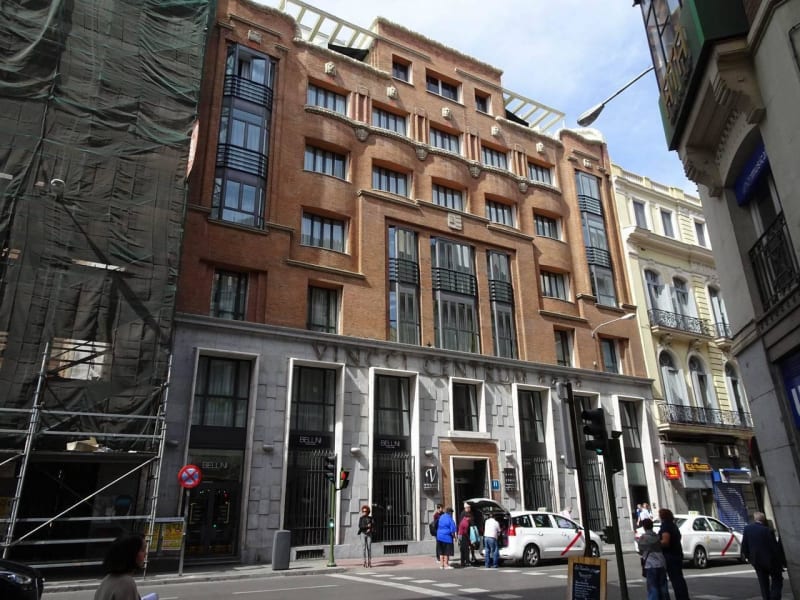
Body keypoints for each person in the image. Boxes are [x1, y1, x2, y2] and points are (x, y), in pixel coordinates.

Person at [95, 533, 152, 600]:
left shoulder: (107, 579)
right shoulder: (126, 582)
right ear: (131, 554)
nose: (146, 553)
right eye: (142, 550)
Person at [742, 512, 785, 600]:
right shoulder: (767, 530)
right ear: (763, 520)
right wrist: (780, 562)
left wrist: (749, 558)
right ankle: (774, 597)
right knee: (777, 579)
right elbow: (774, 547)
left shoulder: (747, 529)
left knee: (763, 583)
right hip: (770, 561)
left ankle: (766, 598)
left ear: (755, 519)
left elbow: (744, 545)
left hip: (756, 561)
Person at [659, 508, 689, 600]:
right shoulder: (673, 526)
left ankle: (681, 597)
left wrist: (655, 543)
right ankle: (683, 597)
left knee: (676, 580)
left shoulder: (666, 527)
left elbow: (665, 542)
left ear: (663, 517)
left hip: (670, 556)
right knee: (679, 579)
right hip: (677, 554)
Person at [638, 518, 669, 600]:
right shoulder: (657, 537)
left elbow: (641, 551)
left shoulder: (643, 538)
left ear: (644, 527)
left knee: (653, 588)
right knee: (663, 587)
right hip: (661, 563)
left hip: (650, 565)